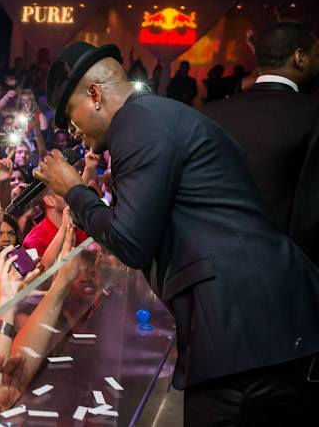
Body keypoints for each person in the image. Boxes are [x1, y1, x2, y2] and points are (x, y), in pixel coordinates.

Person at [37, 40, 319, 426]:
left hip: (243, 336)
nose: (74, 133)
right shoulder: (162, 115)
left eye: (72, 119)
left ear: (95, 94)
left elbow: (130, 242)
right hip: (271, 329)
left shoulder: (136, 122)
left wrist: (74, 191)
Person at [204, 22, 319, 264]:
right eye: (316, 54)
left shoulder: (211, 113)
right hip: (284, 265)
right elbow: (310, 210)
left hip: (214, 260)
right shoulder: (312, 113)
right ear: (300, 58)